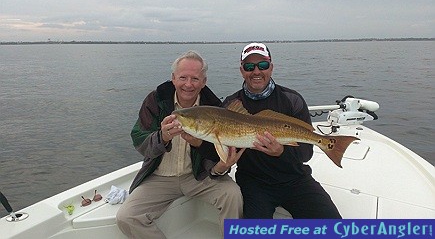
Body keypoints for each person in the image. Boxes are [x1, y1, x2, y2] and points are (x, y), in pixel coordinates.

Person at [116, 50, 243, 238]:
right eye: (183, 77)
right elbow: (139, 140)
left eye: (195, 78)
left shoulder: (215, 107)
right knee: (126, 217)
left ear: (204, 82)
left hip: (198, 176)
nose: (188, 84)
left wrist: (221, 166)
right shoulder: (156, 100)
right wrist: (162, 137)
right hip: (159, 177)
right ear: (173, 78)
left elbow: (218, 154)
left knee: (232, 195)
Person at [222, 42, 342, 219]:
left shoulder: (291, 100)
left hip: (294, 178)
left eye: (262, 65)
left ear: (271, 68)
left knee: (334, 226)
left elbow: (306, 153)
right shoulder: (231, 106)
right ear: (242, 70)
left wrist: (281, 152)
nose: (256, 72)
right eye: (249, 66)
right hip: (254, 183)